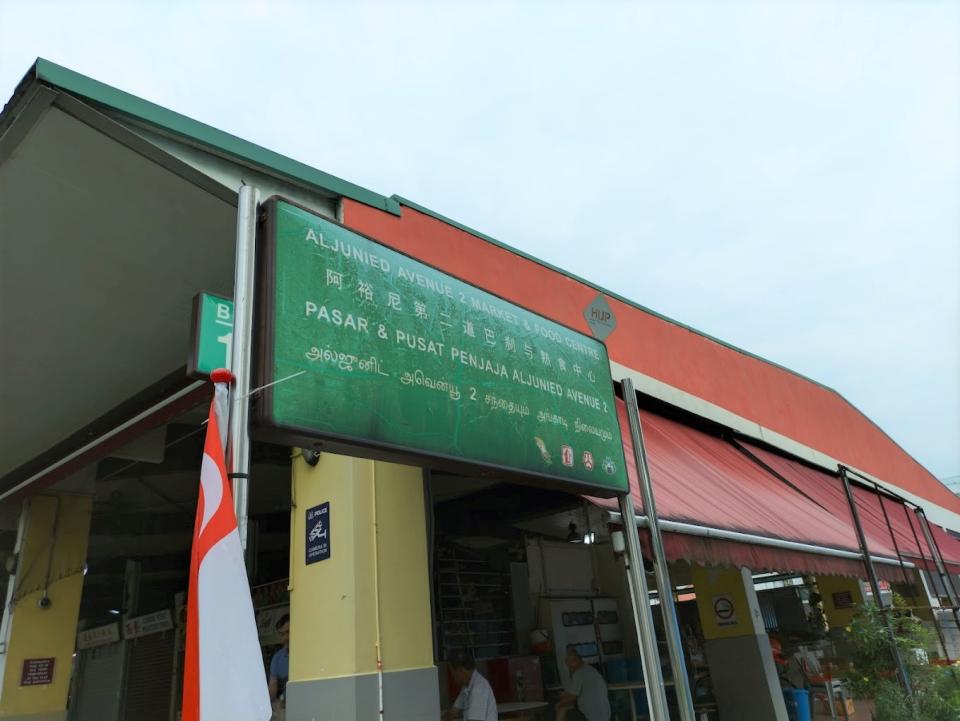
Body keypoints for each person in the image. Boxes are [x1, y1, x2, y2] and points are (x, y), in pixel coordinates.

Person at [555, 649, 611, 721]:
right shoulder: (591, 670)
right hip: (605, 715)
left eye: (568, 663)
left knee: (561, 707)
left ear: (576, 660)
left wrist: (562, 700)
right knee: (566, 706)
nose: (568, 666)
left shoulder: (578, 673)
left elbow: (571, 697)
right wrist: (567, 695)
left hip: (592, 717)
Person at [442, 649, 497, 721]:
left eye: (454, 673)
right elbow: (453, 712)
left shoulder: (478, 689)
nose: (453, 677)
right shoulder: (466, 686)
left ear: (461, 671)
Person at [268, 614, 290, 713]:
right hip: (285, 709)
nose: (285, 638)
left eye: (288, 632)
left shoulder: (306, 653)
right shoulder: (277, 659)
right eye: (282, 634)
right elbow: (272, 693)